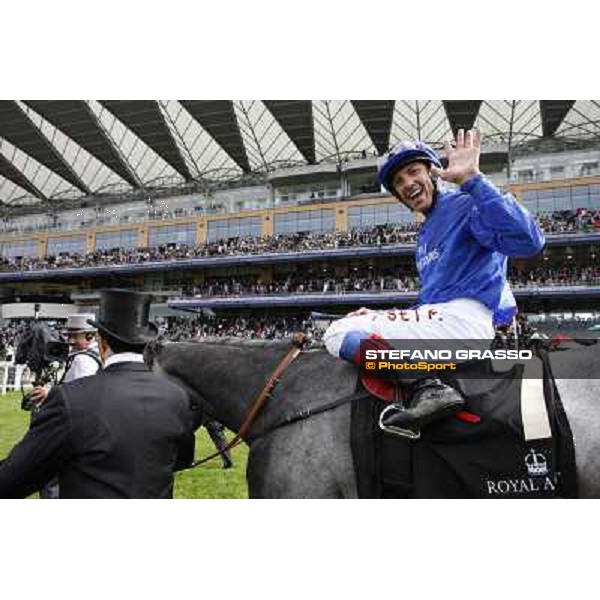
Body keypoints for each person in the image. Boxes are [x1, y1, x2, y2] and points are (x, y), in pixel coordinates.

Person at [323, 130, 545, 430]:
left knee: (337, 333)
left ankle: (425, 387)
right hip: (446, 321)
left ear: (433, 173)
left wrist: (473, 180)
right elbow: (432, 302)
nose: (407, 184)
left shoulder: (465, 204)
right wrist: (375, 316)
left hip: (464, 323)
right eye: (398, 182)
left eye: (413, 172)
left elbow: (529, 241)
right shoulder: (426, 234)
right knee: (355, 325)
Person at [0, 289, 195, 498]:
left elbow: (11, 480)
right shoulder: (177, 397)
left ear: (101, 343)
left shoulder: (69, 399)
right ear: (146, 344)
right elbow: (182, 459)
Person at [30, 313, 102, 499]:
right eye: (68, 336)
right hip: (90, 429)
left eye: (74, 336)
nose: (69, 341)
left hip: (72, 427)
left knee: (49, 475)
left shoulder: (82, 360)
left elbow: (80, 395)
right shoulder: (95, 354)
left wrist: (49, 393)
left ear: (89, 336)